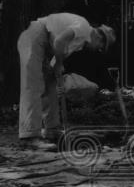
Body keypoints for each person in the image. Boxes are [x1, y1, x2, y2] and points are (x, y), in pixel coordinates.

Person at [17, 13, 115, 143]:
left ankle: (52, 131)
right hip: (36, 37)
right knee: (33, 85)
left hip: (46, 45)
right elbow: (59, 41)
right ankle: (30, 137)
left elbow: (57, 52)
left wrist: (56, 75)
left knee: (50, 85)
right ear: (99, 37)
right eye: (100, 47)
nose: (98, 50)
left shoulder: (79, 43)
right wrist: (58, 64)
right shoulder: (84, 27)